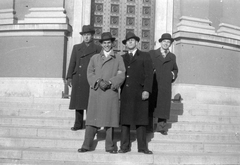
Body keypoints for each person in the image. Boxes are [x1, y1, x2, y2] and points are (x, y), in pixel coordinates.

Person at [77, 32, 126, 153]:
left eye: (109, 42)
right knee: (92, 120)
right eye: (104, 43)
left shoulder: (118, 57)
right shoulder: (94, 58)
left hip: (110, 92)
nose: (107, 45)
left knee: (110, 121)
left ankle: (110, 146)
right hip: (97, 92)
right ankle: (86, 145)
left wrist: (110, 82)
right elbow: (89, 73)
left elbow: (121, 74)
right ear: (101, 44)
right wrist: (98, 81)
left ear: (112, 43)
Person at [118, 32, 153, 154]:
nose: (130, 42)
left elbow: (149, 75)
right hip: (126, 93)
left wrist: (147, 90)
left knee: (141, 120)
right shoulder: (122, 58)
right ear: (125, 44)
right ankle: (124, 146)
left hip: (140, 92)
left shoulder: (145, 56)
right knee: (125, 121)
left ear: (137, 42)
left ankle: (142, 147)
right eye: (128, 41)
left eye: (132, 40)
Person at [66, 25, 102, 131]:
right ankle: (78, 124)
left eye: (88, 35)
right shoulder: (77, 48)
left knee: (91, 102)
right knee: (78, 102)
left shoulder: (97, 48)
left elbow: (99, 64)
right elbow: (72, 62)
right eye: (85, 35)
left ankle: (92, 124)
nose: (86, 37)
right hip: (79, 77)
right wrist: (69, 77)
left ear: (92, 36)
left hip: (91, 78)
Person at [148, 33, 178, 135]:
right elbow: (147, 66)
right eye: (164, 41)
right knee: (151, 104)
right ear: (160, 42)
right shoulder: (152, 53)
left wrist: (172, 75)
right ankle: (149, 126)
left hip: (165, 84)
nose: (166, 43)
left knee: (163, 106)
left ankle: (161, 127)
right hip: (154, 83)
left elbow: (175, 69)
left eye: (168, 42)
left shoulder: (172, 56)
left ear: (170, 44)